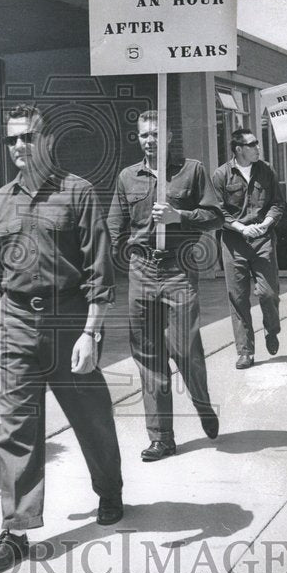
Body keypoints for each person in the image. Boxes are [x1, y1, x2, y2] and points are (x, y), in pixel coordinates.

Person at [0, 104, 123, 573]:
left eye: (27, 137)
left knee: (92, 417)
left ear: (46, 139)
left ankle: (110, 490)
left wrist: (90, 332)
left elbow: (100, 272)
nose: (19, 146)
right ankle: (16, 531)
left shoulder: (77, 192)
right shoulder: (0, 199)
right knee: (16, 430)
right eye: (11, 140)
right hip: (17, 322)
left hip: (68, 322)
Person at [107, 110, 223, 462]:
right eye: (143, 135)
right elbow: (115, 226)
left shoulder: (192, 170)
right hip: (142, 269)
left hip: (178, 269)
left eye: (155, 133)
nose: (149, 140)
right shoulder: (128, 177)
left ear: (168, 136)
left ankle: (202, 403)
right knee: (148, 356)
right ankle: (161, 437)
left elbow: (215, 215)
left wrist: (180, 215)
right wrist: (120, 264)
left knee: (186, 348)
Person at [211, 127, 284, 368]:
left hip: (263, 239)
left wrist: (265, 223)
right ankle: (245, 352)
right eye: (252, 145)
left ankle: (272, 329)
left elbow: (277, 203)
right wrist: (241, 228)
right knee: (238, 298)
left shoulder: (267, 170)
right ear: (238, 149)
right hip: (234, 243)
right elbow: (217, 212)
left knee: (268, 293)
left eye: (257, 144)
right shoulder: (221, 175)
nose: (258, 148)